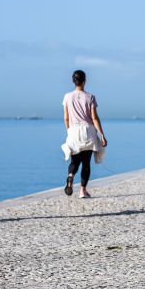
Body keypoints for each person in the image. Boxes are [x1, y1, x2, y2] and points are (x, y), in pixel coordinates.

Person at [61, 70, 107, 198]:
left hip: (74, 131)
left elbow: (66, 118)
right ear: (85, 80)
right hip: (88, 131)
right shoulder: (90, 97)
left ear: (73, 81)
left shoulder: (67, 97)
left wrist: (69, 131)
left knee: (74, 161)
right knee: (86, 163)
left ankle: (70, 176)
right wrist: (102, 134)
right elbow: (94, 118)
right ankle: (82, 191)